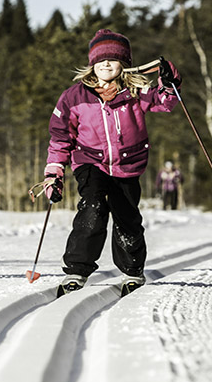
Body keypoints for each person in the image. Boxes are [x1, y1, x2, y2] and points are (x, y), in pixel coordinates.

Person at [42, 29, 181, 297]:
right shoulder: (74, 96)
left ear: (124, 64)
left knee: (126, 216)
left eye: (113, 59)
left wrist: (170, 81)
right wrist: (54, 172)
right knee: (92, 209)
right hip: (89, 162)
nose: (106, 64)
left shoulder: (136, 91)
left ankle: (132, 271)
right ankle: (77, 270)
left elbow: (166, 102)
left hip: (128, 165)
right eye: (101, 59)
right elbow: (60, 138)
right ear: (92, 63)